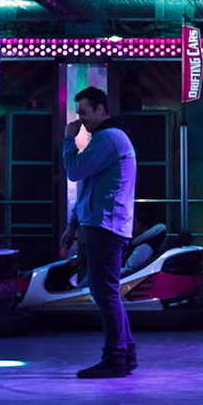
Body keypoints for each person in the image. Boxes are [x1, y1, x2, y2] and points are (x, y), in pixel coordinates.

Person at [62, 87, 139, 378]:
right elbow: (89, 186)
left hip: (106, 226)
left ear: (100, 110)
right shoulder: (110, 138)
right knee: (106, 292)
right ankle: (125, 353)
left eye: (84, 112)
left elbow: (75, 171)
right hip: (104, 224)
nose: (80, 119)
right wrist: (73, 225)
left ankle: (115, 357)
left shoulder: (109, 138)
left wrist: (68, 141)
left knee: (105, 294)